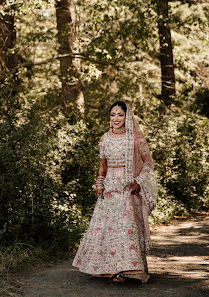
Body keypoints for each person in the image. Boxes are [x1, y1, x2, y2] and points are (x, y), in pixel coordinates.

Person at [72, 101, 157, 283]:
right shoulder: (104, 139)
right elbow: (103, 168)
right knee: (108, 230)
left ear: (127, 117)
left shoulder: (136, 140)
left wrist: (139, 182)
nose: (116, 118)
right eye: (113, 115)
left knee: (125, 229)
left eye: (120, 114)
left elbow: (148, 164)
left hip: (128, 189)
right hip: (110, 189)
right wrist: (99, 185)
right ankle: (110, 269)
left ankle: (128, 270)